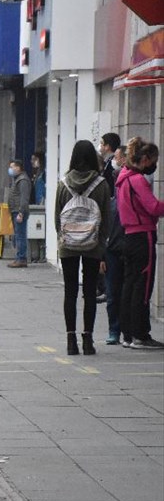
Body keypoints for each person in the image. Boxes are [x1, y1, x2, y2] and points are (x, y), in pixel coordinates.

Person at [55, 140, 110, 356]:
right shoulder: (101, 185)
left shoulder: (63, 183)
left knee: (70, 291)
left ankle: (70, 341)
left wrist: (63, 237)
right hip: (93, 244)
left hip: (68, 245)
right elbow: (107, 218)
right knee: (89, 291)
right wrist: (100, 241)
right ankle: (88, 339)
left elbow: (57, 217)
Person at [116, 137, 164, 350]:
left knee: (129, 285)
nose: (154, 165)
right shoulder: (137, 180)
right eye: (153, 160)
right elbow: (153, 207)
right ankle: (140, 334)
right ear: (145, 159)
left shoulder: (123, 178)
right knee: (142, 287)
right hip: (142, 235)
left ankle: (127, 334)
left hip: (128, 236)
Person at [104, 146, 127, 345]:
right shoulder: (110, 204)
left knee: (126, 291)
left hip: (127, 246)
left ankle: (127, 331)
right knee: (112, 293)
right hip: (112, 248)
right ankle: (114, 330)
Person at [7, 159, 31, 268]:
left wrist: (21, 212)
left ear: (18, 168)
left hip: (19, 211)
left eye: (12, 167)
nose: (10, 169)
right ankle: (19, 257)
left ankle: (21, 258)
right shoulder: (17, 179)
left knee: (20, 235)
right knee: (18, 235)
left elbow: (24, 198)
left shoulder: (23, 180)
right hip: (15, 210)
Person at [28, 151, 47, 262]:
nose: (32, 162)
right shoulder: (37, 173)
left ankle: (42, 254)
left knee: (41, 229)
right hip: (38, 203)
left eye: (34, 159)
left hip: (42, 204)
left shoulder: (44, 174)